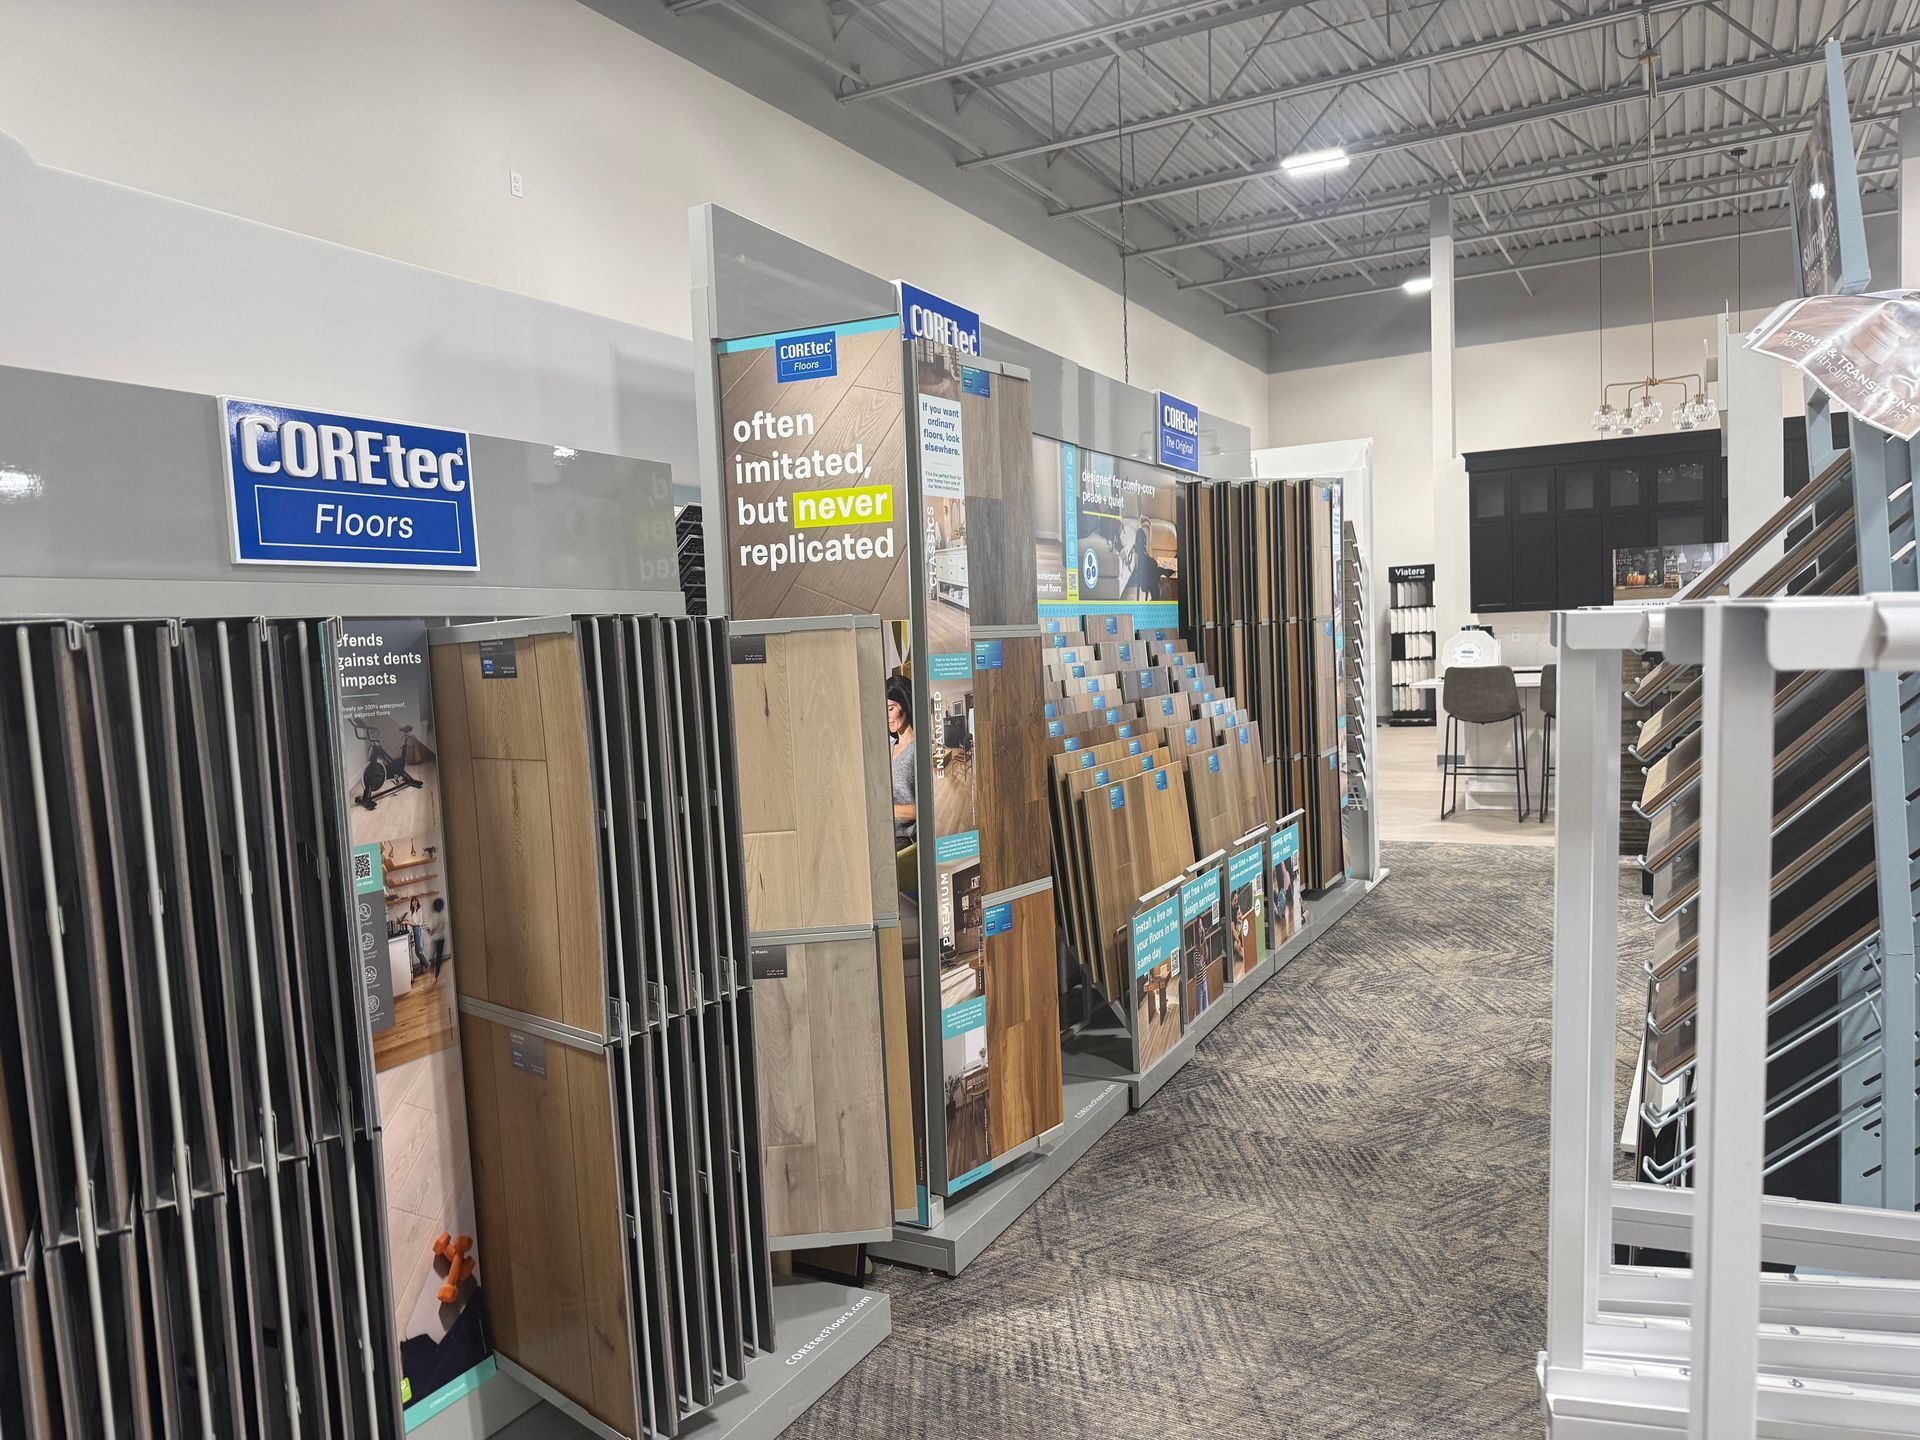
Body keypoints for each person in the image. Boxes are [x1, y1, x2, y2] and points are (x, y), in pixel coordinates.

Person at [887, 676, 917, 850]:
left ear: (905, 704)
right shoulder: (889, 747)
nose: (887, 716)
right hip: (881, 830)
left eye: (890, 708)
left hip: (903, 841)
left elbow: (927, 809)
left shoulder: (918, 750)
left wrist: (887, 810)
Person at [424, 897, 449, 981]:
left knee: (432, 957)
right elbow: (441, 927)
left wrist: (427, 931)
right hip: (442, 939)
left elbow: (432, 930)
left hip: (435, 940)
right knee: (439, 958)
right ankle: (436, 975)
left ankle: (431, 973)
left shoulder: (433, 917)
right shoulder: (442, 916)